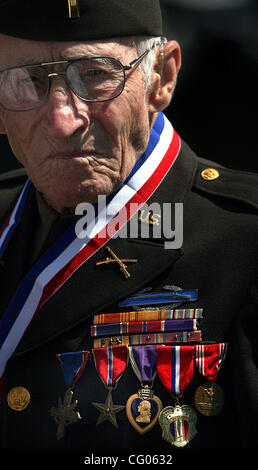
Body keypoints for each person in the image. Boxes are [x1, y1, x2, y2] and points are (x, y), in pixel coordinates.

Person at [0, 0, 257, 454]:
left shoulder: (244, 238)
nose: (63, 121)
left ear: (162, 77)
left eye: (95, 76)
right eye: (27, 82)